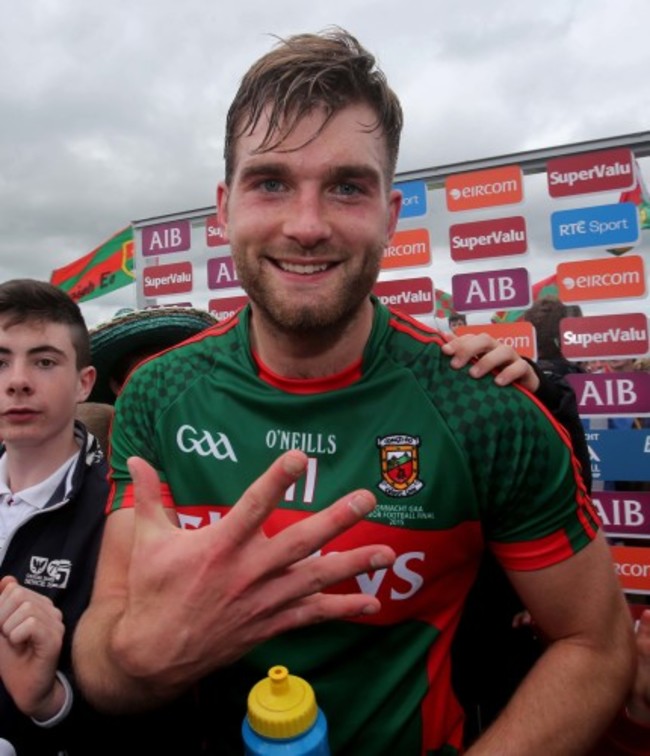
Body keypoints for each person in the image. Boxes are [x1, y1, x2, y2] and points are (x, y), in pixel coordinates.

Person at [72, 28, 635, 755]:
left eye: (346, 186)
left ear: (391, 215)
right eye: (271, 181)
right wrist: (148, 654)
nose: (306, 226)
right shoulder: (155, 393)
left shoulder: (486, 406)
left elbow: (596, 646)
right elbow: (101, 664)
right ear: (224, 208)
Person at [0, 279, 204, 755]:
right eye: (1, 360)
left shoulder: (127, 515)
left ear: (83, 383)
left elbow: (161, 708)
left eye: (45, 361)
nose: (18, 380)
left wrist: (50, 700)